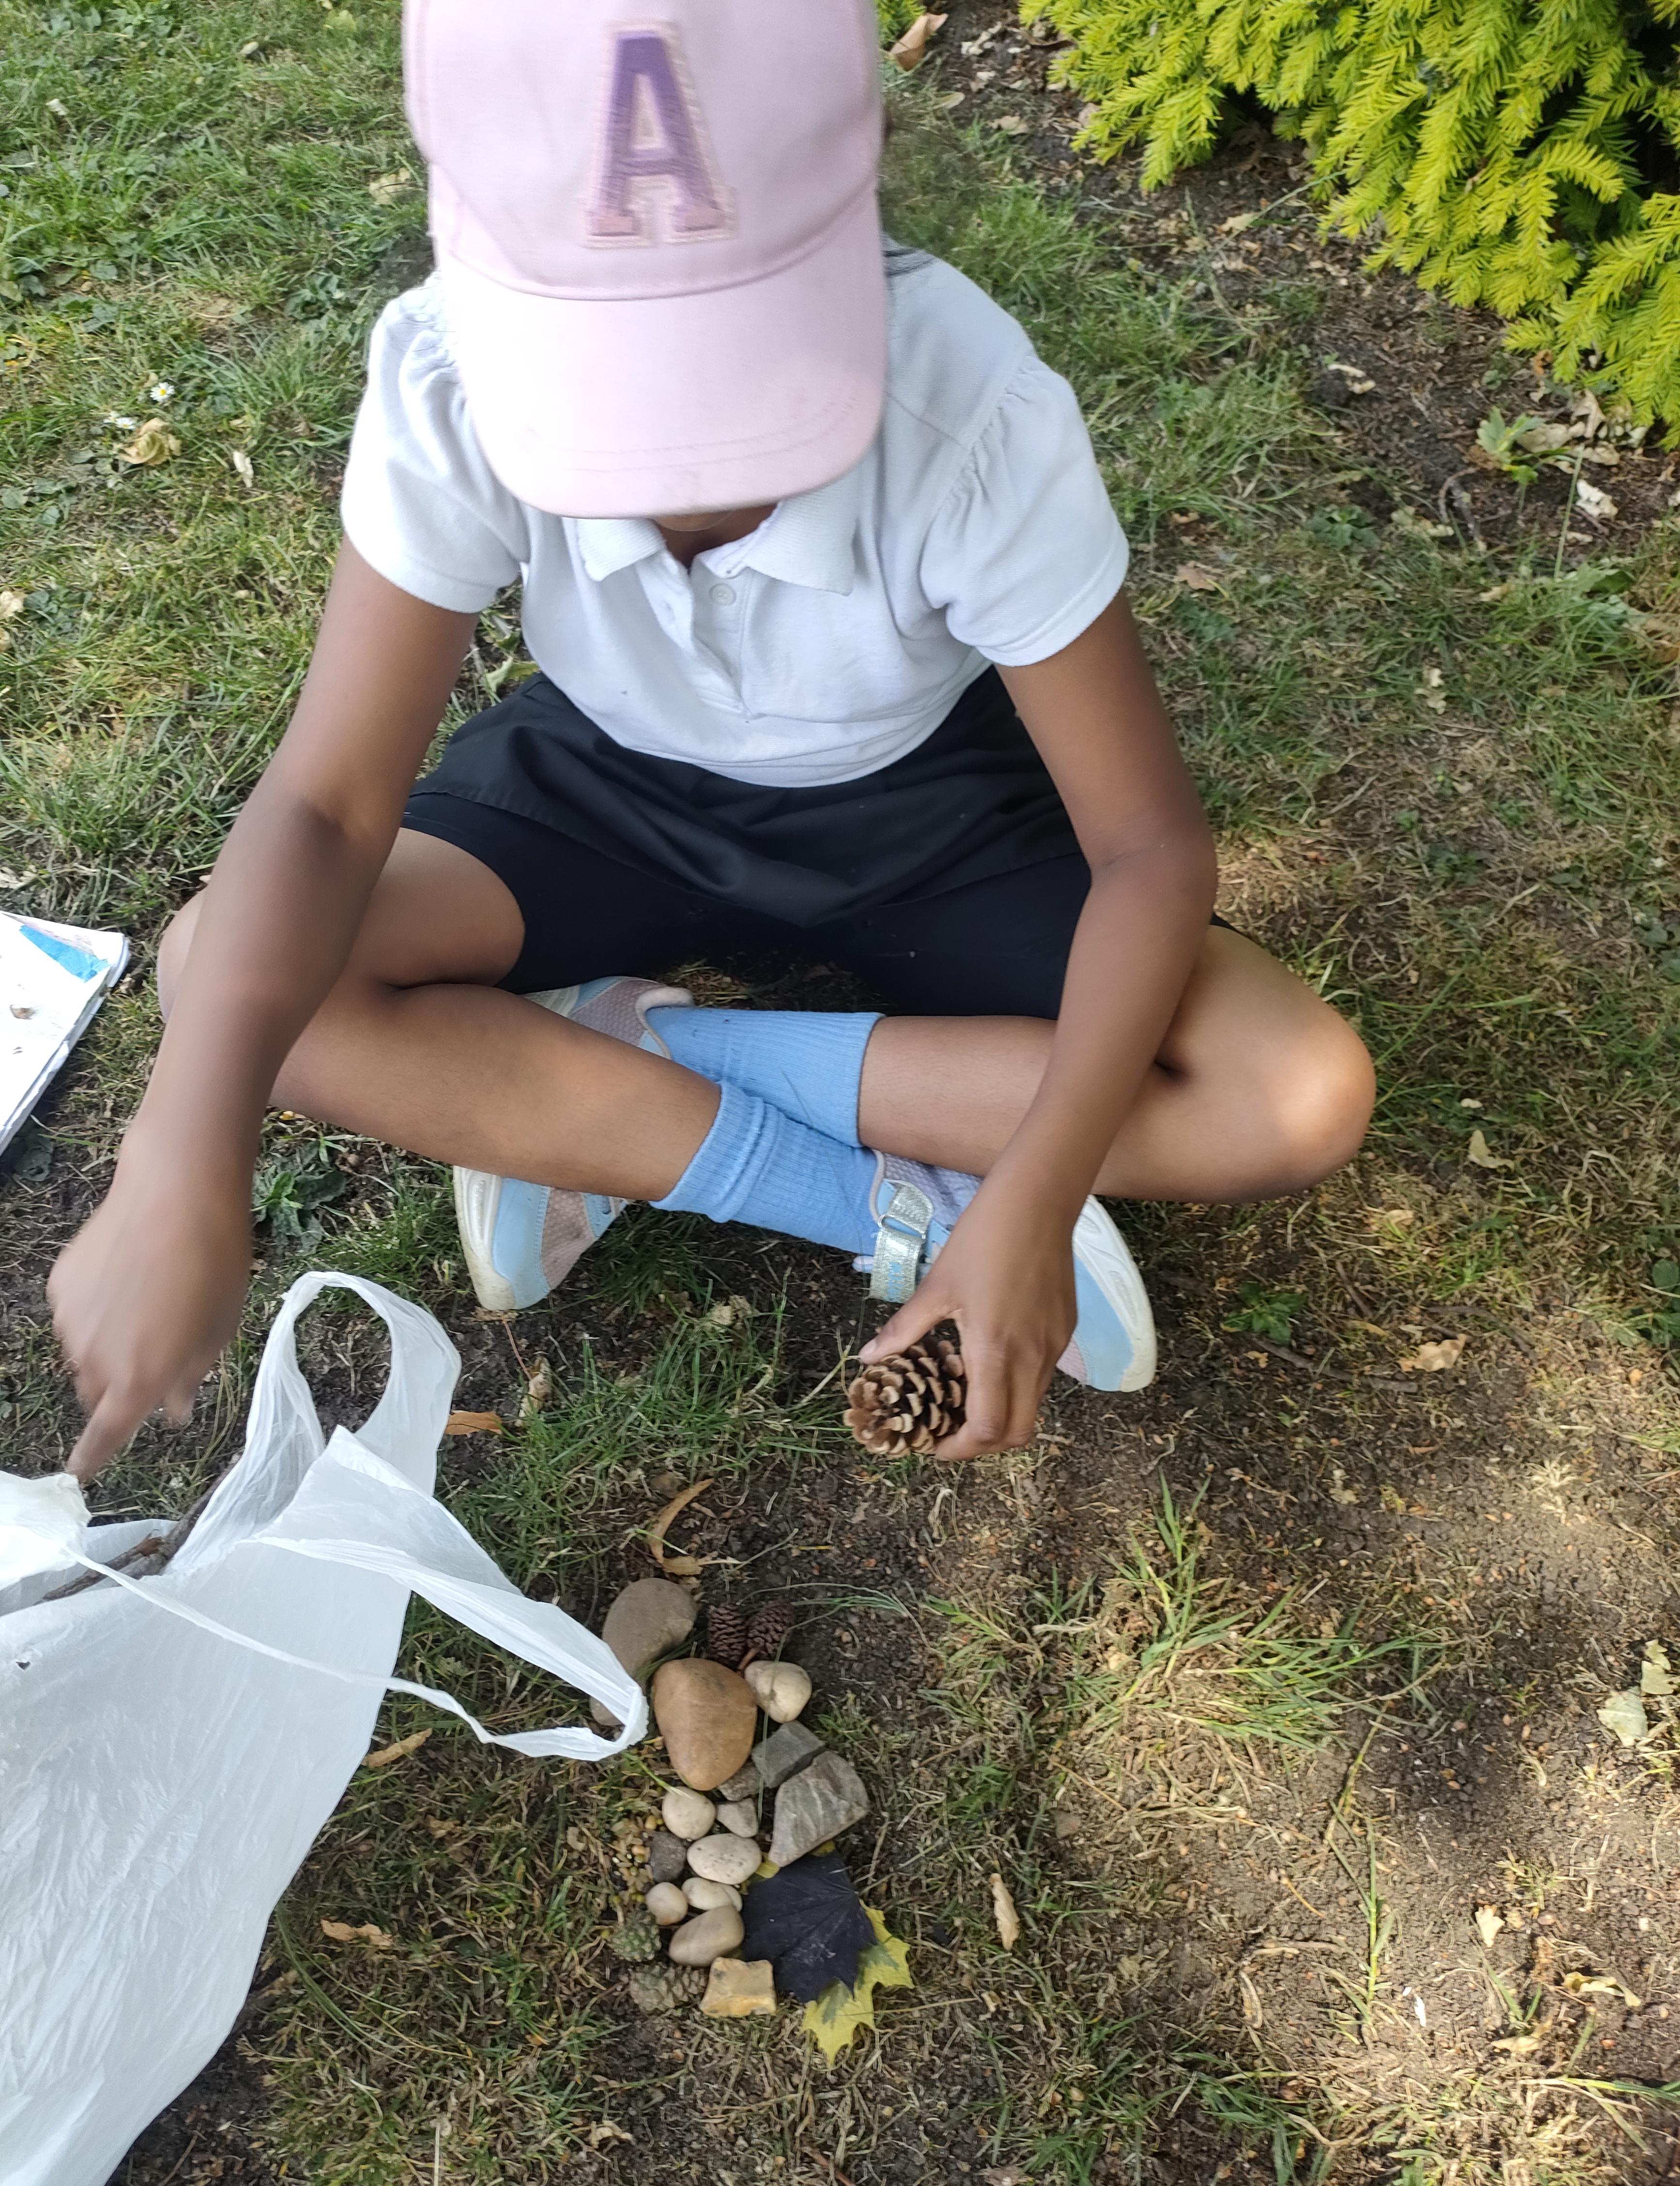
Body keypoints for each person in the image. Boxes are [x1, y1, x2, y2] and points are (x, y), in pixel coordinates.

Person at [48, 0, 1374, 1479]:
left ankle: (640, 1058)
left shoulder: (971, 406)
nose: (681, 483)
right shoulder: (442, 372)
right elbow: (323, 808)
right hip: (603, 785)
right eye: (596, 413)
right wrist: (179, 1149)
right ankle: (866, 1201)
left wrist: (1040, 1190)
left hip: (929, 807)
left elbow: (1147, 847)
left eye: (749, 394)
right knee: (222, 979)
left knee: (1289, 1095)